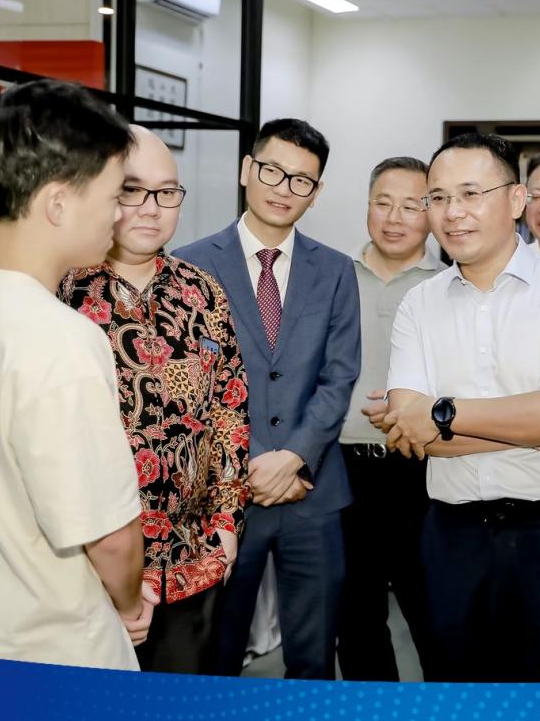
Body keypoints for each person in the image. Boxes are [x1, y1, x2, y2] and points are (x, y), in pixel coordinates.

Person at [379, 132, 540, 681]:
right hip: (451, 534)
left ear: (515, 200)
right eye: (438, 198)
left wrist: (442, 414)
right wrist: (536, 433)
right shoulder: (419, 302)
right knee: (456, 693)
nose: (452, 213)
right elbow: (406, 430)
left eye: (470, 194)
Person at [0, 79, 147, 668]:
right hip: (54, 652)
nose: (120, 213)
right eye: (114, 195)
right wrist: (130, 605)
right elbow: (110, 537)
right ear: (58, 203)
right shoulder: (60, 337)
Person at [59, 126, 251, 674]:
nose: (151, 207)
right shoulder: (64, 293)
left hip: (191, 564)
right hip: (86, 571)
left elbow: (230, 408)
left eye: (167, 192)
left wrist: (227, 522)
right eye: (132, 190)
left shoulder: (203, 292)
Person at [174, 118, 360, 679]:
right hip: (222, 494)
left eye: (301, 180)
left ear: (316, 192)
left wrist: (294, 457)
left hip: (312, 491)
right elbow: (191, 386)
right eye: (273, 171)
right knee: (216, 654)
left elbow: (339, 376)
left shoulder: (335, 270)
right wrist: (251, 464)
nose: (284, 188)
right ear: (246, 170)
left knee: (313, 658)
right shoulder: (189, 265)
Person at [336, 157, 444, 681]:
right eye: (383, 203)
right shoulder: (332, 277)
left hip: (423, 467)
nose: (394, 218)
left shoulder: (449, 285)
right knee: (355, 617)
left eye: (411, 206)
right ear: (367, 206)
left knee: (433, 612)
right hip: (341, 469)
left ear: (432, 213)